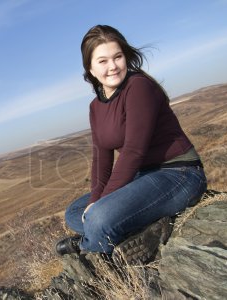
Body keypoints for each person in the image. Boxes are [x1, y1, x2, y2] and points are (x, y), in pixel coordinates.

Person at [56, 25, 207, 256]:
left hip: (179, 174)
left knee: (99, 217)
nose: (113, 66)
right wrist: (96, 200)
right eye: (103, 61)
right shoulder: (96, 107)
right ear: (91, 68)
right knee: (76, 211)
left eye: (117, 57)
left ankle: (85, 246)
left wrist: (101, 205)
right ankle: (135, 230)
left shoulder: (138, 86)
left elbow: (134, 151)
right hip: (143, 176)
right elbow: (101, 160)